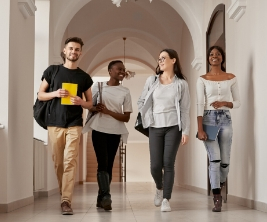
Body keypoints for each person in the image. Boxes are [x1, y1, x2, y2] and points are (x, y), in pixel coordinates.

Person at [38, 37, 93, 215]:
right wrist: (55, 93)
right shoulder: (53, 71)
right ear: (64, 50)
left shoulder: (84, 77)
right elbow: (40, 95)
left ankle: (66, 201)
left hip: (74, 123)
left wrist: (80, 101)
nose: (73, 52)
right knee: (58, 162)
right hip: (54, 123)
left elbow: (90, 103)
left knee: (70, 161)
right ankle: (64, 194)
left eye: (77, 49)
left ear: (80, 53)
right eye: (71, 49)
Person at [137, 49, 190, 212]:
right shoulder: (152, 81)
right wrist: (146, 114)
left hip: (174, 127)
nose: (160, 61)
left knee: (168, 163)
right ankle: (159, 188)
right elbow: (141, 100)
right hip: (155, 126)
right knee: (155, 166)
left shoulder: (181, 83)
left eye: (163, 58)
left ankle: (166, 199)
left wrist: (186, 130)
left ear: (173, 60)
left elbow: (185, 109)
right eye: (159, 58)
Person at [82, 60, 133, 211]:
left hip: (115, 131)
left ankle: (101, 196)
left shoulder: (125, 91)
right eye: (119, 69)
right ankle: (106, 196)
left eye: (123, 69)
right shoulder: (98, 86)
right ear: (110, 71)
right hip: (98, 128)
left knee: (109, 164)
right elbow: (89, 105)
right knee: (102, 162)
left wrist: (108, 112)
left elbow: (126, 117)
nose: (122, 71)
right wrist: (96, 107)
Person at [196, 46, 241, 212]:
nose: (215, 56)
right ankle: (217, 196)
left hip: (226, 119)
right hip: (208, 119)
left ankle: (219, 182)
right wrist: (200, 129)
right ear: (208, 58)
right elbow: (199, 104)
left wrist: (225, 103)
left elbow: (238, 102)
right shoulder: (202, 79)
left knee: (225, 162)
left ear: (222, 57)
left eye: (218, 54)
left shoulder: (231, 78)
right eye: (211, 54)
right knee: (214, 159)